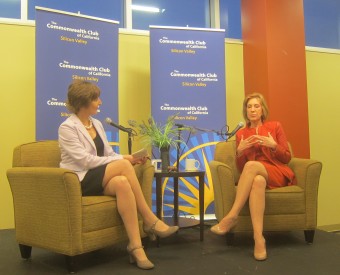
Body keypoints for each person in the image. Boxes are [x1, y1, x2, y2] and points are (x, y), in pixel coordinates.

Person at [58, 80, 179, 270]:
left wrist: (129, 158)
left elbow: (108, 154)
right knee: (122, 165)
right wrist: (124, 159)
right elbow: (85, 161)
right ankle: (149, 219)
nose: (100, 102)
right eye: (96, 99)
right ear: (83, 101)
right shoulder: (67, 128)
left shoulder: (96, 123)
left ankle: (135, 246)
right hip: (79, 179)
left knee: (122, 181)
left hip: (99, 176)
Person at [210, 92, 295, 261]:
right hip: (257, 174)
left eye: (256, 106)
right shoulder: (241, 134)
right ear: (246, 111)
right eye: (249, 107)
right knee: (256, 180)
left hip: (277, 172)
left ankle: (232, 216)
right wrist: (240, 152)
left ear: (262, 110)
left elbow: (286, 158)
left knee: (252, 166)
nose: (253, 110)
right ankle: (259, 240)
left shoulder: (275, 126)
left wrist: (273, 145)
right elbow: (242, 168)